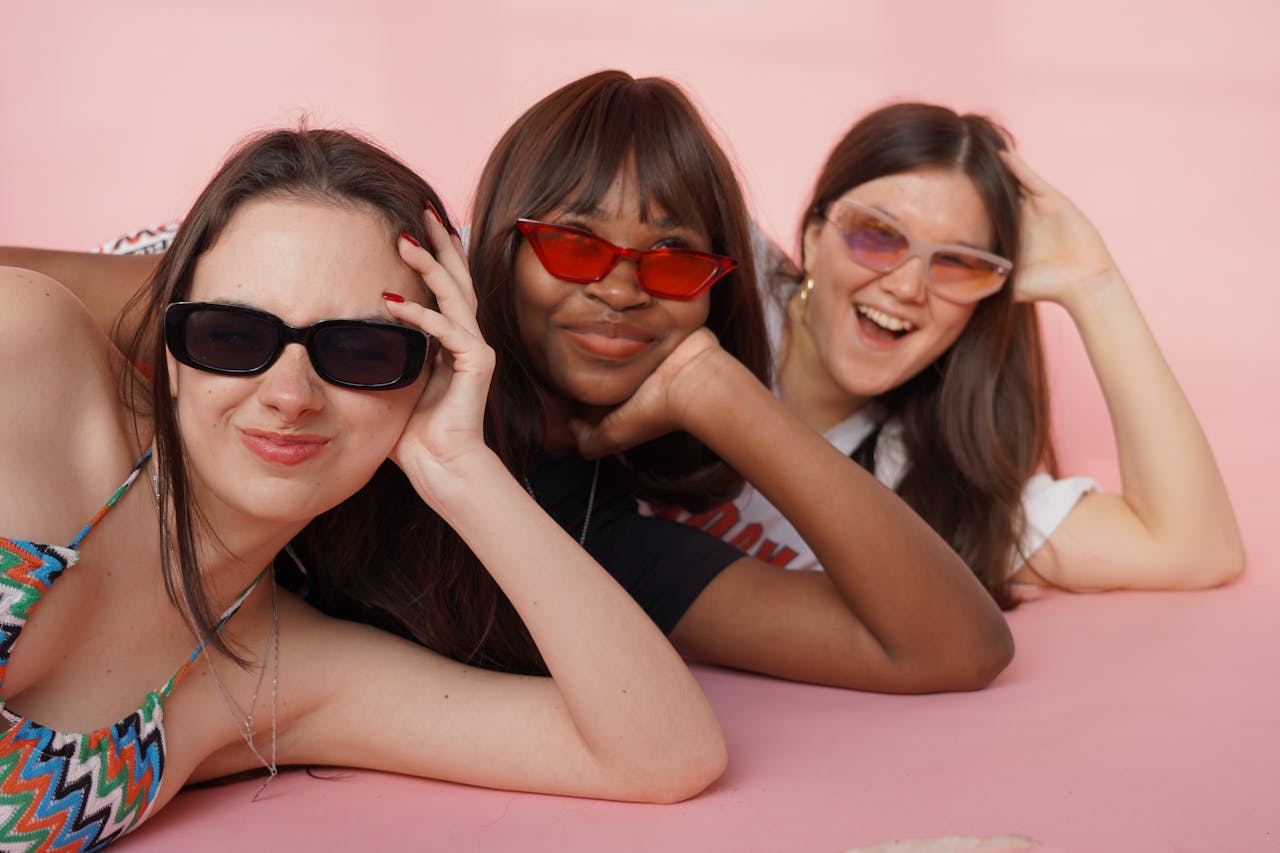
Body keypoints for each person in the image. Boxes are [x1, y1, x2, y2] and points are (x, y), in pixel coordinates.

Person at [0, 74, 1014, 693]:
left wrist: (721, 395)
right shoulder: (308, 301)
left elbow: (946, 649)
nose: (620, 288)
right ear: (496, 248)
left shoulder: (579, 524)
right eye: (573, 245)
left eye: (669, 262)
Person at [0, 127, 727, 852]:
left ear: (428, 377)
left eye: (362, 351)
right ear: (175, 345)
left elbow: (663, 752)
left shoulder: (283, 676)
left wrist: (462, 468)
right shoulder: (29, 355)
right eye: (232, 335)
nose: (289, 395)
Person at [658, 102, 1244, 607]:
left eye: (959, 264)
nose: (908, 287)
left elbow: (1194, 547)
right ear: (813, 234)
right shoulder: (713, 286)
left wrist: (1095, 283)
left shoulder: (932, 484)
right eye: (878, 235)